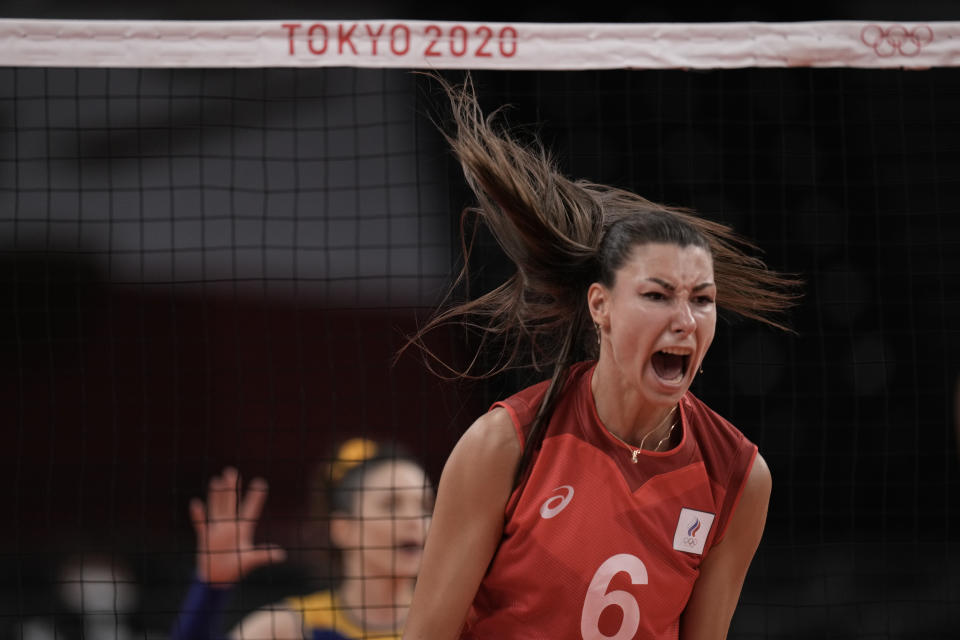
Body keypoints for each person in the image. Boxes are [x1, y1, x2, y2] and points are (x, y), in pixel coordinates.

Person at [400, 76, 801, 640]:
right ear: (601, 306)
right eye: (657, 295)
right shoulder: (506, 445)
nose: (684, 320)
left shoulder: (736, 476)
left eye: (702, 299)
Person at [171, 438, 434, 640]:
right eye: (391, 504)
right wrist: (210, 589)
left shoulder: (452, 621)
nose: (415, 520)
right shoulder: (290, 627)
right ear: (343, 529)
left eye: (425, 506)